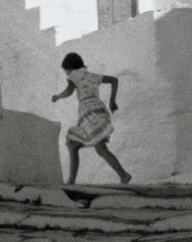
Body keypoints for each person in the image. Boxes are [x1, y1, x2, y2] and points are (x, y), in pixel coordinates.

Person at [51, 52, 132, 185]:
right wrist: (112, 101)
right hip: (99, 109)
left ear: (69, 67)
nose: (66, 73)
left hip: (88, 112)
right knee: (73, 144)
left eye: (66, 70)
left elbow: (69, 91)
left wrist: (57, 97)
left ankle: (123, 175)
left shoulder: (73, 76)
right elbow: (114, 80)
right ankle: (71, 182)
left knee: (98, 148)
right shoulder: (91, 75)